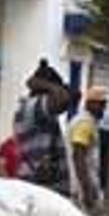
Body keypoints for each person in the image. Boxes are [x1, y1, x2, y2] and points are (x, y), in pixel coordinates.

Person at [12, 60, 73, 197]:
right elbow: (63, 99)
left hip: (41, 190)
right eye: (57, 89)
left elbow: (67, 99)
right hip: (42, 192)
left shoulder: (36, 111)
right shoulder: (34, 106)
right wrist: (45, 84)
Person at [69, 86, 108, 216]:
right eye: (100, 104)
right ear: (89, 104)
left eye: (104, 104)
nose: (103, 109)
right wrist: (87, 190)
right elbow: (78, 155)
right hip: (83, 189)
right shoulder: (84, 123)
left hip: (84, 187)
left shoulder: (88, 122)